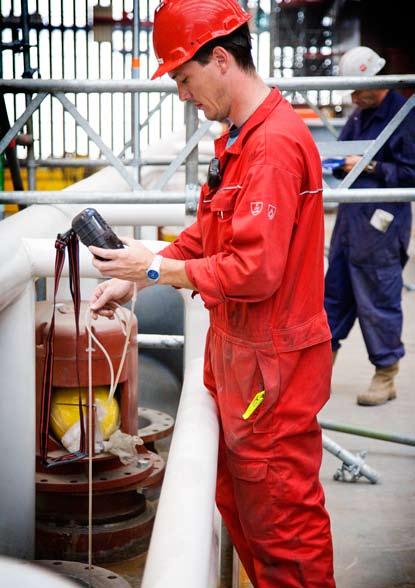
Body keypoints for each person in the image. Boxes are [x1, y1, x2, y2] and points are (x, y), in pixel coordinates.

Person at [89, 1, 335, 586]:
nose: (181, 92)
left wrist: (156, 271)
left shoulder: (271, 147)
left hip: (268, 371)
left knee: (282, 530)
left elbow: (255, 270)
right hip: (245, 363)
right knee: (245, 510)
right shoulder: (244, 139)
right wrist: (139, 272)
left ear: (220, 59)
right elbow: (210, 233)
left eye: (182, 75)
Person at [325, 46, 415, 406]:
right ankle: (317, 370)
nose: (352, 97)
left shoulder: (404, 117)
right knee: (333, 299)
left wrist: (371, 167)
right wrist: (338, 165)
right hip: (350, 224)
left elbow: (410, 174)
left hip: (381, 227)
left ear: (375, 81)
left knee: (379, 301)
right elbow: (340, 157)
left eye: (357, 89)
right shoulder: (360, 115)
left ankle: (386, 374)